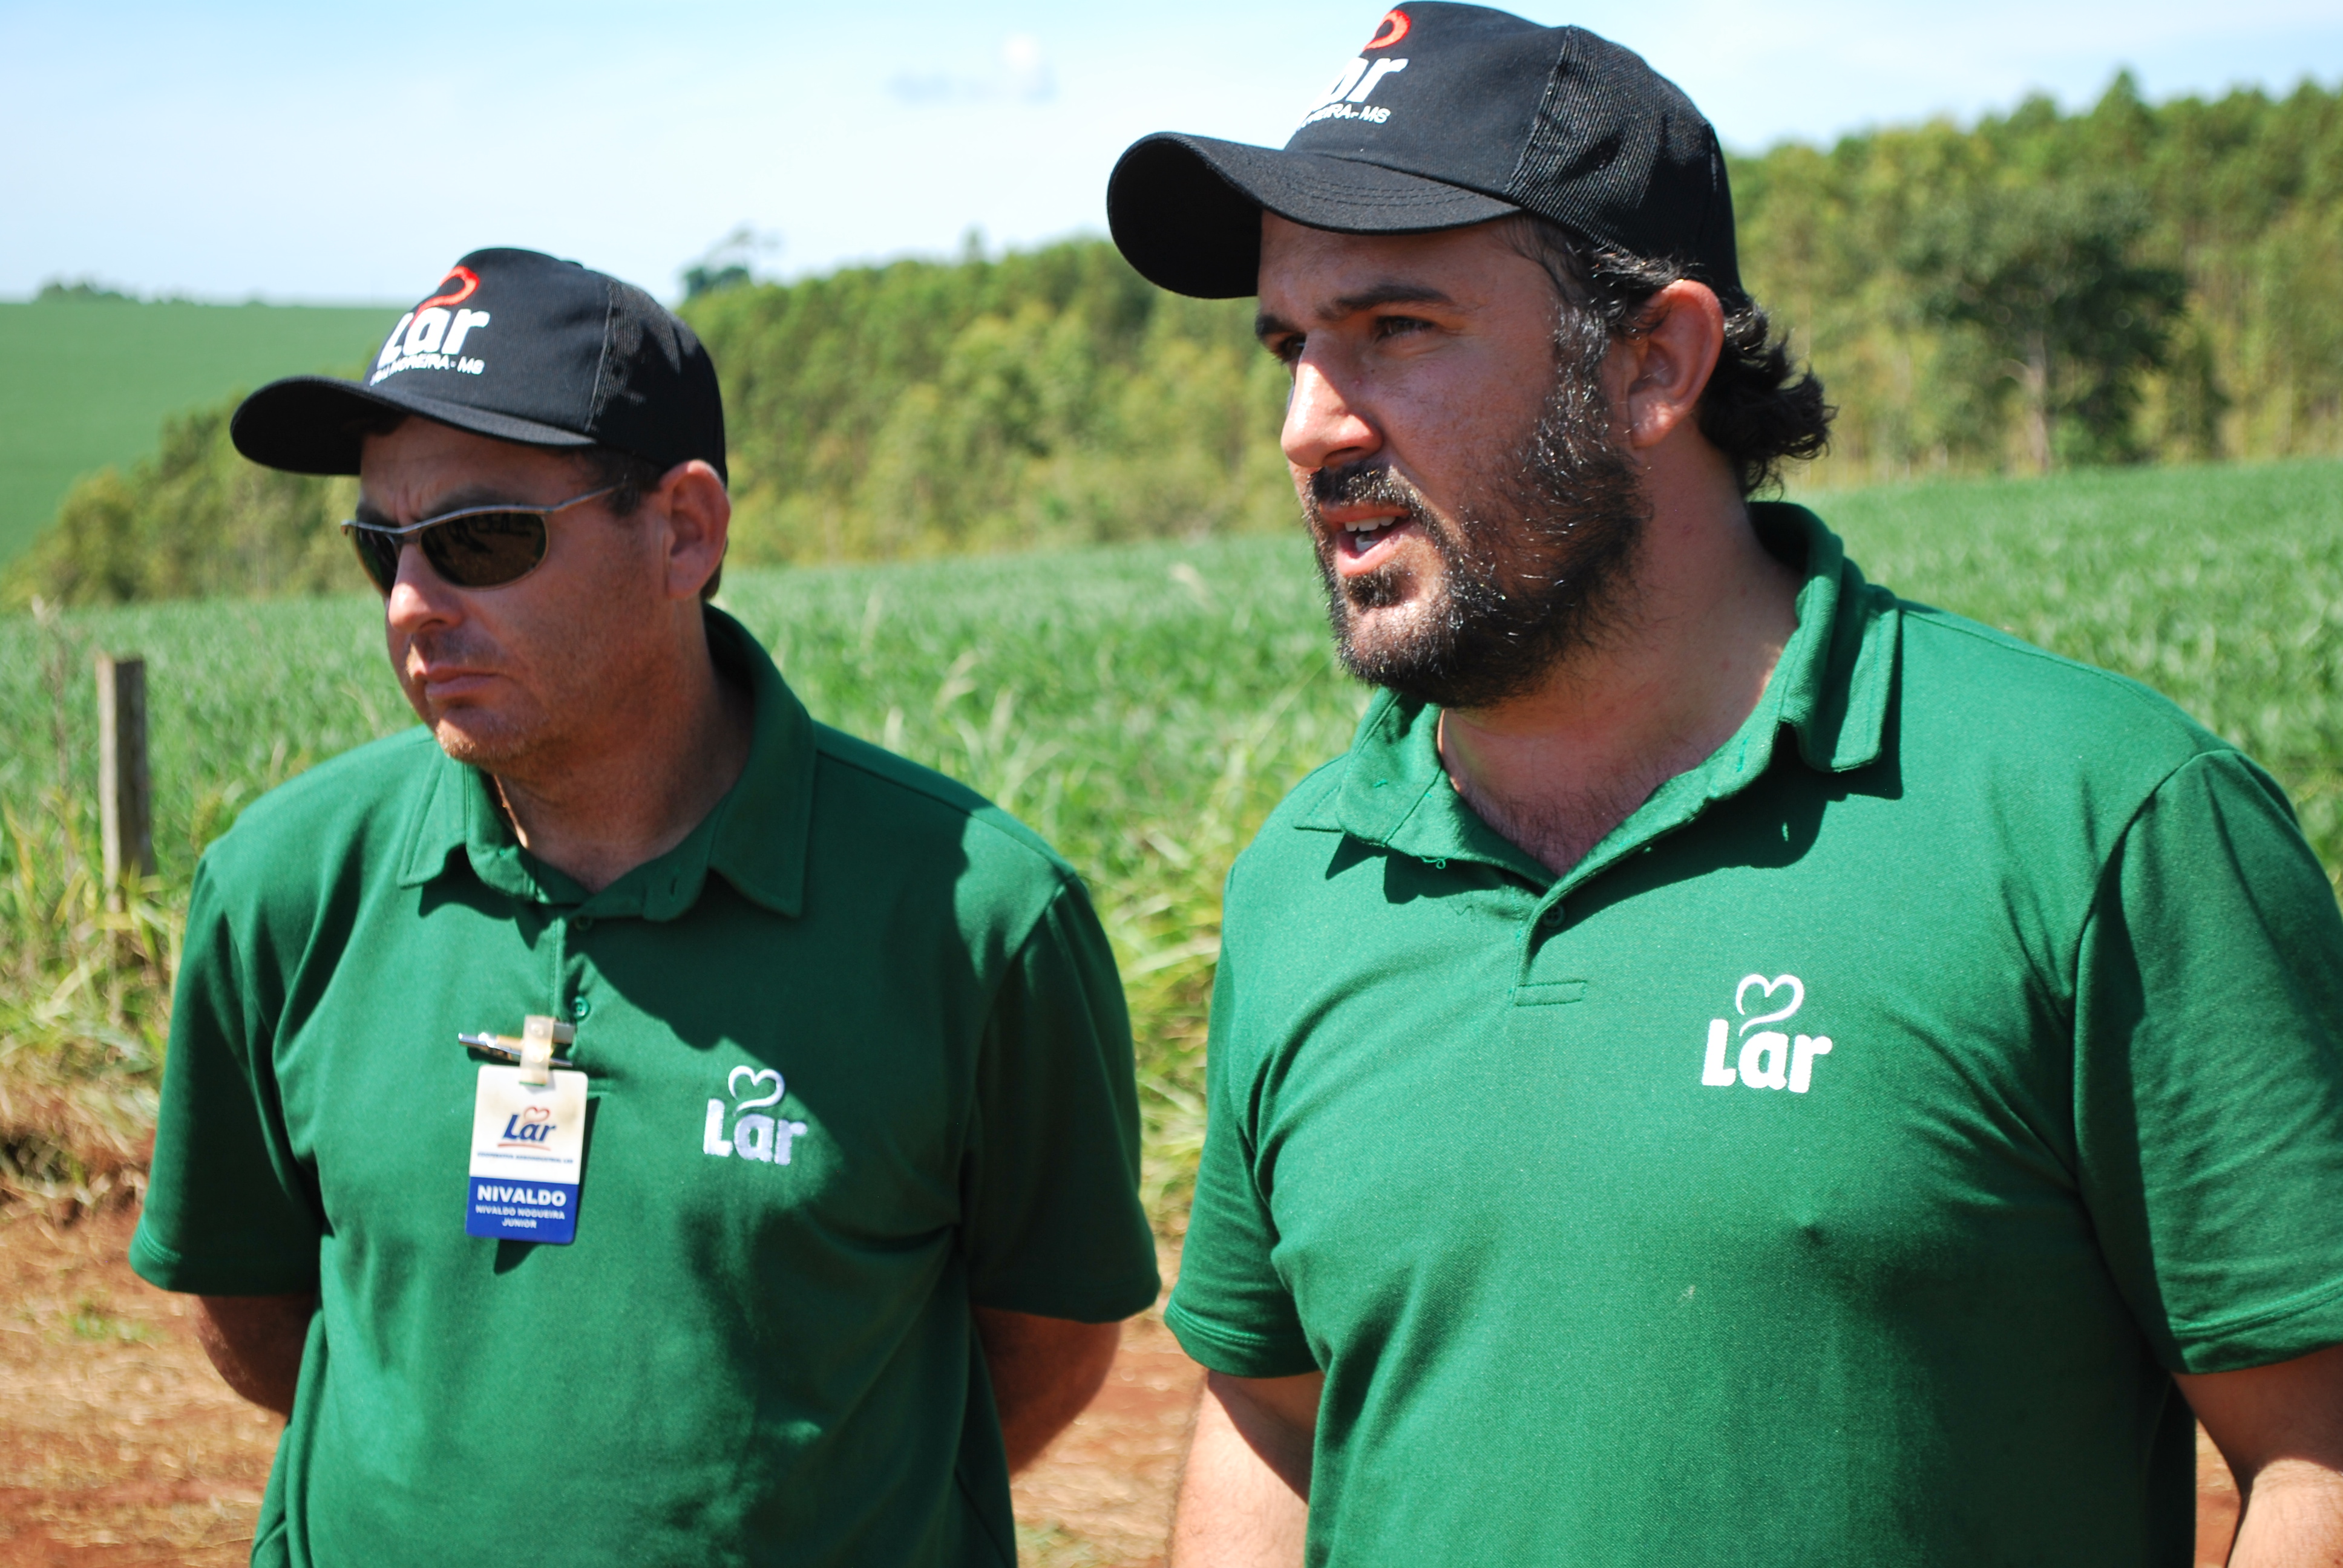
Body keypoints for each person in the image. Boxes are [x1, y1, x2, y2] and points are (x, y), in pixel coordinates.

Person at [1105, 8, 2343, 1564]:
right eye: (1292, 347)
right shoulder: (1309, 877)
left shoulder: (2095, 820)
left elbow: (2319, 1455)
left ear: (1656, 362)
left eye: (1397, 330)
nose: (1308, 427)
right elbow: (1273, 1414)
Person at [128, 247, 1160, 1567]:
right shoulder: (280, 887)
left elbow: (1049, 1341)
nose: (410, 604)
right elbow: (249, 1296)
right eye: (378, 545)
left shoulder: (978, 916)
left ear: (685, 529)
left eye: (477, 540)